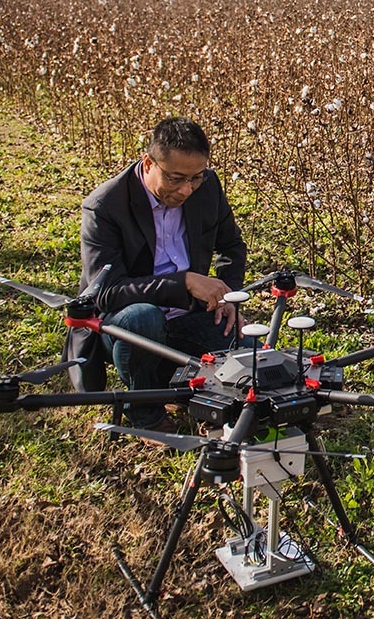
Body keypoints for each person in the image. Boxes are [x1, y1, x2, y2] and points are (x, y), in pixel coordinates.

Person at [67, 117, 247, 432]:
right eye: (176, 178)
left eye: (195, 178)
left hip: (187, 314)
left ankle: (178, 387)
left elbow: (231, 245)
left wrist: (228, 296)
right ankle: (145, 413)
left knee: (239, 343)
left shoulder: (207, 187)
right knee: (144, 320)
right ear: (148, 162)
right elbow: (107, 292)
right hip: (125, 324)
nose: (186, 189)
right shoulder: (105, 206)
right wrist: (186, 282)